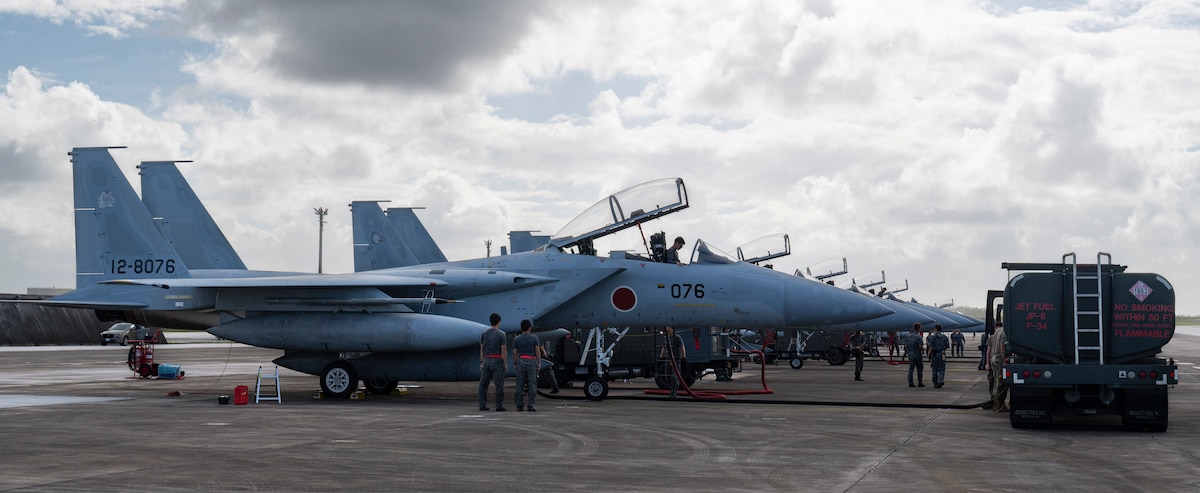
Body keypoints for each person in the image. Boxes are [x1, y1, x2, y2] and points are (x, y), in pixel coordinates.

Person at [478, 313, 507, 411]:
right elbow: (503, 350)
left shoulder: (484, 334)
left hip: (486, 360)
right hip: (497, 360)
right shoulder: (502, 334)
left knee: (483, 384)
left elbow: (481, 349)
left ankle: (482, 405)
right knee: (499, 385)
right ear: (499, 322)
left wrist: (481, 361)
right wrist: (505, 363)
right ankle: (499, 406)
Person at [511, 319, 540, 412]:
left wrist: (515, 363)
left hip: (521, 360)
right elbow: (537, 351)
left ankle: (519, 405)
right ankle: (530, 405)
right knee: (532, 384)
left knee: (519, 384)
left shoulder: (516, 339)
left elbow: (514, 353)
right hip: (531, 360)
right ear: (529, 328)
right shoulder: (535, 338)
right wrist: (538, 363)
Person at [987, 322, 1010, 411]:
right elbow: (1002, 348)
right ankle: (1000, 406)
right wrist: (1005, 362)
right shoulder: (1004, 332)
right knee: (1001, 383)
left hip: (993, 358)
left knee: (996, 383)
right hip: (999, 359)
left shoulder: (997, 331)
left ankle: (995, 405)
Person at [659, 326, 687, 398]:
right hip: (668, 359)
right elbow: (664, 347)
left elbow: (682, 346)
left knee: (675, 376)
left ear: (672, 329)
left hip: (676, 359)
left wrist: (683, 357)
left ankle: (673, 392)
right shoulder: (667, 338)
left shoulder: (677, 337)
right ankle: (671, 389)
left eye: (669, 327)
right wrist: (661, 355)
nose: (667, 328)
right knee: (667, 375)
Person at [905, 323, 925, 387]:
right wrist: (922, 351)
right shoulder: (919, 336)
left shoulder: (908, 336)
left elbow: (905, 346)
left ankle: (910, 383)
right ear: (919, 328)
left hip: (910, 355)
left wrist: (908, 352)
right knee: (919, 369)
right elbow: (920, 346)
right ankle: (920, 382)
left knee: (911, 369)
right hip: (917, 355)